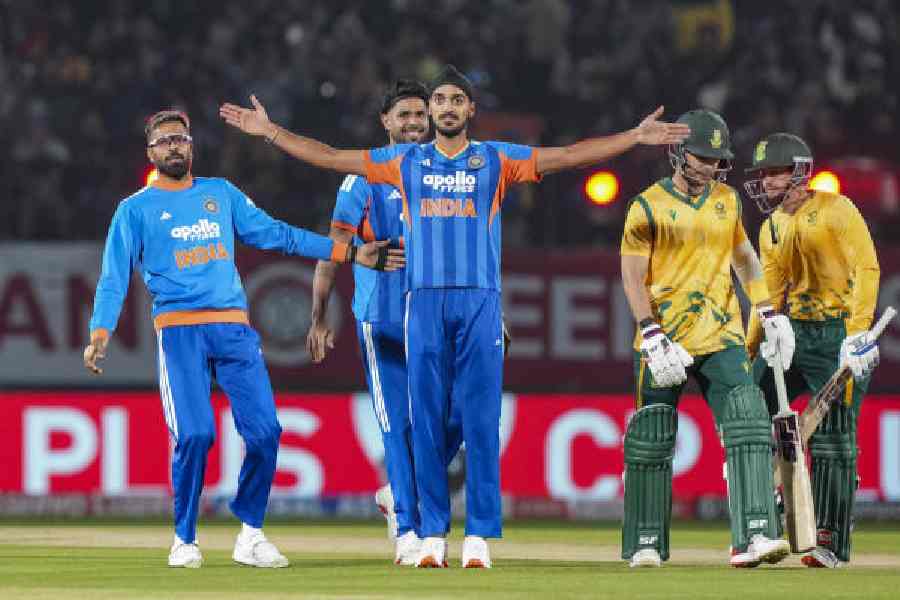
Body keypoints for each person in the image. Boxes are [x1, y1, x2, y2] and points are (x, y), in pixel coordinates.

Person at [220, 64, 689, 569]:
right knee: (422, 423)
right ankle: (429, 536)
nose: (443, 107)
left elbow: (571, 156)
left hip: (480, 302)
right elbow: (331, 157)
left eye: (452, 100)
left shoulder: (497, 160)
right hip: (420, 304)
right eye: (437, 99)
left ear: (469, 110)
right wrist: (271, 133)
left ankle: (479, 538)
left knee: (480, 420)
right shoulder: (403, 161)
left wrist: (633, 138)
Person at [83, 109, 402, 569]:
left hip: (232, 328)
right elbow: (113, 278)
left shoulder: (220, 194)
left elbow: (277, 235)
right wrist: (99, 334)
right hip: (179, 331)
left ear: (192, 147)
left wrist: (349, 252)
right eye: (165, 140)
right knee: (194, 434)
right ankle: (184, 539)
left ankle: (250, 533)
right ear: (150, 151)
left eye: (182, 139)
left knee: (267, 432)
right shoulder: (134, 209)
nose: (175, 146)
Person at [619, 109, 795, 568]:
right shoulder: (646, 206)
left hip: (721, 335)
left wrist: (767, 309)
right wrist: (651, 332)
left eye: (716, 159)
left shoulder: (729, 201)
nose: (710, 167)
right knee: (651, 437)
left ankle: (755, 535)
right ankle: (645, 541)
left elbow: (745, 258)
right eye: (701, 157)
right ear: (677, 153)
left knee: (750, 427)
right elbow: (632, 277)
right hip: (664, 342)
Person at [306, 79, 443, 565]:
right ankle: (408, 528)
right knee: (398, 426)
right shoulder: (362, 178)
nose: (412, 123)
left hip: (437, 318)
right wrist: (320, 314)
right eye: (403, 115)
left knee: (453, 418)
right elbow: (332, 247)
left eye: (419, 115)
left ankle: (395, 492)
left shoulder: (441, 174)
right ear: (385, 122)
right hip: (381, 318)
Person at [744, 132, 881, 568]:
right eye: (762, 174)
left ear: (799, 172)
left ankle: (830, 538)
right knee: (747, 412)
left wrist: (858, 333)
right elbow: (766, 291)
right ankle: (758, 525)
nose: (765, 182)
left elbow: (867, 267)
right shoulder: (770, 227)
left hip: (838, 334)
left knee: (833, 438)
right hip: (790, 333)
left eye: (774, 173)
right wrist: (754, 347)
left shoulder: (837, 210)